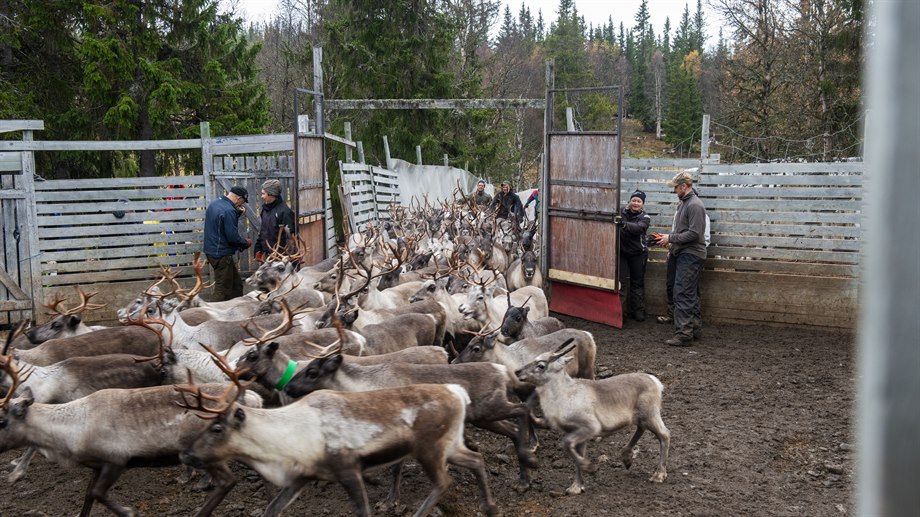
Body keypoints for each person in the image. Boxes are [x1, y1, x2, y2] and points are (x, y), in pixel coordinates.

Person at [655, 172, 707, 346]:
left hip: (691, 253)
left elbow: (694, 234)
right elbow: (684, 231)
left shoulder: (694, 205)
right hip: (685, 252)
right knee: (690, 292)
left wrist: (671, 238)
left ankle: (684, 334)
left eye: (676, 187)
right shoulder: (685, 204)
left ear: (683, 186)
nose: (675, 190)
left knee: (683, 292)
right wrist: (669, 238)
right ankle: (694, 329)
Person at [203, 186, 251, 301]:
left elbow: (221, 224)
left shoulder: (215, 204)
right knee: (222, 291)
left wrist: (237, 213)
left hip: (213, 252)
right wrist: (245, 243)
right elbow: (232, 238)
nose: (242, 204)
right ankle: (212, 314)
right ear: (238, 198)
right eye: (242, 202)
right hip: (221, 255)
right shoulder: (229, 210)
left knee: (236, 286)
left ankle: (236, 309)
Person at [616, 190, 651, 322]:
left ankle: (638, 310)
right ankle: (620, 313)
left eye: (639, 201)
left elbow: (639, 228)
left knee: (637, 282)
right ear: (630, 201)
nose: (635, 203)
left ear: (642, 204)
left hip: (638, 254)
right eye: (634, 200)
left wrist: (624, 224)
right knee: (621, 283)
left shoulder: (645, 217)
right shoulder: (620, 212)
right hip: (622, 253)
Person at [254, 179, 295, 263]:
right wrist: (258, 249)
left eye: (263, 194)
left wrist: (289, 256)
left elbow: (290, 237)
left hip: (280, 258)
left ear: (271, 194)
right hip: (267, 256)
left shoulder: (285, 212)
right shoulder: (265, 210)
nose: (261, 196)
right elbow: (263, 231)